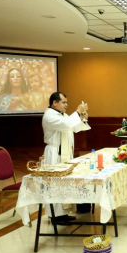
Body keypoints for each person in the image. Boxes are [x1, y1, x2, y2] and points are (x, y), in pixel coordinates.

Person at [42, 92, 90, 221]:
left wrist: (82, 118)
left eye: (66, 102)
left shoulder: (62, 115)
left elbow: (74, 128)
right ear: (54, 103)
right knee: (55, 185)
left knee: (64, 184)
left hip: (65, 154)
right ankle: (55, 216)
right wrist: (77, 112)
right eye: (63, 102)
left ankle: (63, 213)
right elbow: (66, 124)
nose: (66, 105)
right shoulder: (49, 116)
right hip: (54, 156)